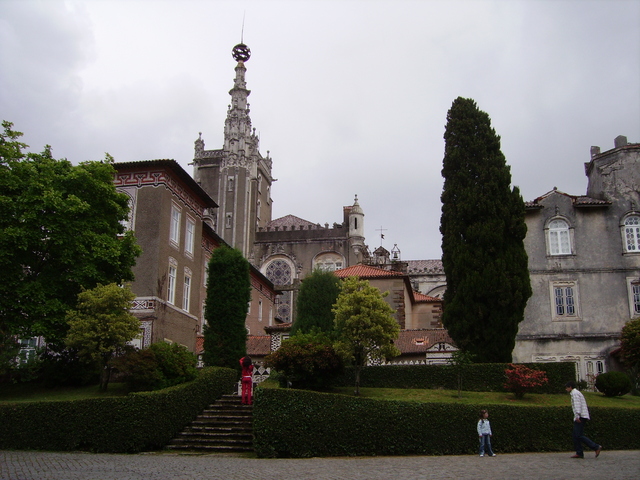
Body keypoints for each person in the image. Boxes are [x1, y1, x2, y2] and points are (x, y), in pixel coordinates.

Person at [565, 381, 602, 458]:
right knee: (576, 435)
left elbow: (577, 404)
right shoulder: (576, 393)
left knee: (578, 435)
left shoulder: (574, 393)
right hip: (582, 415)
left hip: (581, 416)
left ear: (570, 387)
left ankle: (595, 446)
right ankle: (579, 452)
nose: (566, 389)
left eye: (567, 387)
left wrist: (577, 415)